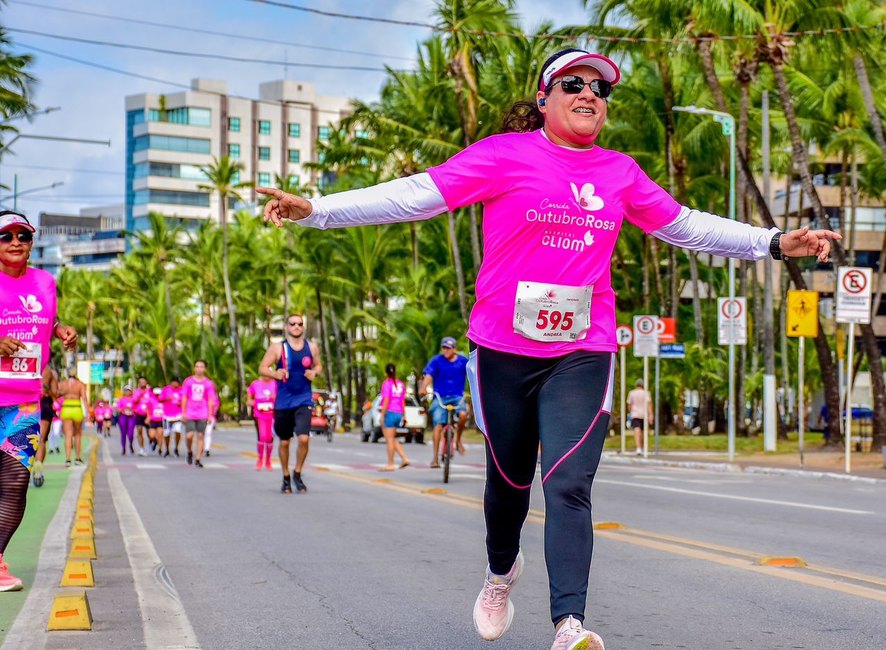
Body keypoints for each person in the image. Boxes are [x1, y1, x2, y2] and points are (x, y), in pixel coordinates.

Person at [258, 47, 839, 649]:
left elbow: (684, 224)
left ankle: (569, 625)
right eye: (573, 84)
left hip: (581, 350)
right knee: (508, 481)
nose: (589, 95)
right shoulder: (502, 155)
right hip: (503, 352)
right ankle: (501, 573)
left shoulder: (619, 171)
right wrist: (317, 211)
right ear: (544, 97)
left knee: (566, 482)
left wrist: (772, 242)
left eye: (600, 88)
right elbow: (413, 196)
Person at [0, 210, 77, 590]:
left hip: (26, 399)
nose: (15, 242)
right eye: (6, 236)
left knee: (15, 479)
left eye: (23, 236)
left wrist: (61, 329)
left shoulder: (46, 282)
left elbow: (46, 319)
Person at [259, 314, 322, 494]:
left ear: (303, 327)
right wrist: (275, 374)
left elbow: (318, 366)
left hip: (303, 399)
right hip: (283, 402)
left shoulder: (312, 347)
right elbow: (262, 368)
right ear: (286, 327)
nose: (296, 327)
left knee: (303, 438)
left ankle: (298, 472)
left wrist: (314, 373)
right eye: (292, 324)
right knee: (285, 442)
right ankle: (286, 476)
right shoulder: (278, 348)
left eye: (299, 324)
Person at [422, 337, 470, 466]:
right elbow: (428, 375)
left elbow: (473, 373)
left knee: (463, 415)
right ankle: (435, 459)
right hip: (440, 397)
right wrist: (424, 387)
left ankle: (458, 440)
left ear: (454, 349)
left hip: (457, 397)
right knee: (437, 426)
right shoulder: (437, 361)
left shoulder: (462, 361)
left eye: (448, 348)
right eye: (444, 348)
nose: (446, 350)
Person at [181, 360, 217, 468]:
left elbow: (210, 399)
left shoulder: (208, 383)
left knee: (201, 435)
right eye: (197, 366)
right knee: (189, 436)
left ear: (205, 369)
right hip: (190, 412)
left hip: (203, 412)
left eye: (201, 367)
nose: (199, 369)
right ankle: (189, 451)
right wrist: (183, 412)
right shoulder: (188, 381)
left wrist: (210, 414)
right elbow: (184, 397)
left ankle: (198, 459)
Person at [378, 364, 411, 471]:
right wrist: (404, 415)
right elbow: (402, 401)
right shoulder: (401, 384)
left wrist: (382, 415)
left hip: (390, 412)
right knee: (392, 438)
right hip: (399, 413)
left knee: (389, 440)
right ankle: (404, 458)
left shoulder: (387, 384)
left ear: (386, 372)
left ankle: (390, 464)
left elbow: (386, 400)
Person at [31, 365, 59, 488]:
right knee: (41, 440)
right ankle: (38, 472)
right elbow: (55, 393)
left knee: (29, 439)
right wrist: (47, 387)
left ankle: (29, 472)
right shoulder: (50, 371)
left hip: (27, 402)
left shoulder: (27, 362)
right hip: (42, 403)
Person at [57, 367, 89, 467]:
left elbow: (57, 395)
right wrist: (87, 412)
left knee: (68, 435)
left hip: (66, 408)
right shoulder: (80, 384)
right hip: (77, 408)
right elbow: (84, 398)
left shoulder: (62, 384)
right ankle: (78, 458)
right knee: (78, 434)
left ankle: (68, 459)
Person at [247, 374, 278, 471]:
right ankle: (260, 459)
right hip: (259, 414)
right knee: (262, 437)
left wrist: (274, 398)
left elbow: (281, 397)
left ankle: (268, 460)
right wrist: (252, 402)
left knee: (269, 438)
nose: (266, 376)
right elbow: (249, 398)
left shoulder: (275, 384)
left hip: (272, 415)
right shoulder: (255, 384)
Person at [626, 379, 652, 456]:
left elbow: (629, 405)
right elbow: (649, 404)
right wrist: (651, 415)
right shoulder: (646, 393)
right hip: (644, 414)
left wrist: (630, 412)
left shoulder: (632, 393)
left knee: (637, 431)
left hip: (635, 414)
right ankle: (642, 447)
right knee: (643, 432)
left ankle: (638, 448)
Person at [161, 378, 184, 457]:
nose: (175, 384)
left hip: (178, 415)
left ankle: (176, 448)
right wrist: (166, 398)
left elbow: (185, 401)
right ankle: (167, 449)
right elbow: (160, 399)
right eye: (174, 382)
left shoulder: (181, 390)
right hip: (166, 416)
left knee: (178, 431)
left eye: (177, 382)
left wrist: (181, 403)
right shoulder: (166, 389)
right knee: (166, 433)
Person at [132, 376, 152, 457]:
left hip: (148, 414)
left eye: (144, 381)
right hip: (139, 414)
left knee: (150, 433)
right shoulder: (137, 392)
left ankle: (152, 441)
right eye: (141, 382)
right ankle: (142, 449)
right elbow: (134, 401)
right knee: (139, 430)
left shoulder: (150, 391)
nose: (142, 383)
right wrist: (141, 394)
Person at [116, 386, 136, 456]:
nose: (128, 392)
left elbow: (137, 409)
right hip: (123, 417)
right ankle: (123, 448)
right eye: (126, 391)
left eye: (129, 390)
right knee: (123, 433)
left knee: (130, 433)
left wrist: (132, 409)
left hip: (131, 417)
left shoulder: (134, 400)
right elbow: (118, 410)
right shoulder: (121, 400)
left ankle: (131, 444)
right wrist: (124, 409)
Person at [147, 387, 165, 457]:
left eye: (159, 394)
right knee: (151, 435)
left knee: (160, 435)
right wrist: (148, 417)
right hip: (153, 420)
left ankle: (160, 449)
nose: (158, 395)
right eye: (156, 394)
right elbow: (148, 409)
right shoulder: (151, 400)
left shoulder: (163, 401)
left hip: (161, 420)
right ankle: (154, 441)